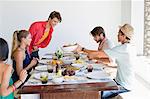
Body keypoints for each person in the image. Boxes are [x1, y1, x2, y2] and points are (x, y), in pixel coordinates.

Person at [87, 24, 136, 98]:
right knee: (99, 86)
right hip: (123, 82)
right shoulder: (130, 47)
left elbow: (100, 54)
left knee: (99, 94)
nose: (117, 35)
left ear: (124, 36)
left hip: (124, 86)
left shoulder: (123, 48)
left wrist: (84, 50)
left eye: (118, 34)